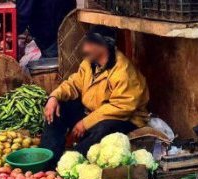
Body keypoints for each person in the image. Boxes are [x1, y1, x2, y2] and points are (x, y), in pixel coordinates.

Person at [41, 25, 149, 168]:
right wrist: (54, 97)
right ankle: (48, 163)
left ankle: (73, 162)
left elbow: (122, 107)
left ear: (103, 46)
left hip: (125, 118)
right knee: (58, 109)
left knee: (103, 129)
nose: (85, 49)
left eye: (89, 44)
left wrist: (85, 123)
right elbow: (73, 84)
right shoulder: (89, 64)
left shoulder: (122, 71)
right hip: (93, 112)